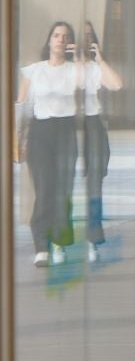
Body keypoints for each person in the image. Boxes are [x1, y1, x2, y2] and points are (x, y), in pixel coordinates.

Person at [15, 21, 83, 266]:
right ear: (49, 39)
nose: (60, 40)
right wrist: (19, 139)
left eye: (65, 36)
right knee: (44, 189)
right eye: (56, 35)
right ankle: (41, 245)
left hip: (65, 131)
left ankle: (59, 243)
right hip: (40, 132)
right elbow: (22, 107)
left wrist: (79, 58)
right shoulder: (33, 71)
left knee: (63, 190)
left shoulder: (76, 70)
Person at [78, 20, 124, 251]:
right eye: (81, 34)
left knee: (95, 180)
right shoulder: (61, 66)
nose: (86, 39)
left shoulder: (95, 68)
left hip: (93, 123)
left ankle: (93, 234)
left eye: (89, 35)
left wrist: (100, 59)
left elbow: (116, 84)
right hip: (67, 125)